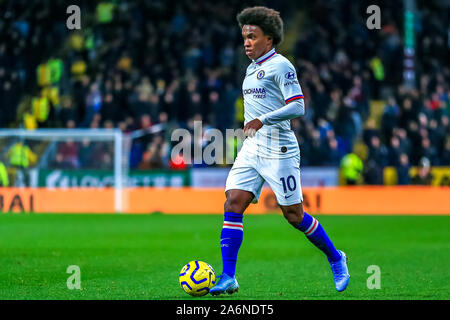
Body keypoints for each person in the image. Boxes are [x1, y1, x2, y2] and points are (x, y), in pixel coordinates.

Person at [209, 6, 350, 296]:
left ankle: (336, 258)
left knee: (294, 216)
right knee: (233, 202)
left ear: (269, 39)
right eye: (244, 36)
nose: (246, 42)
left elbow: (299, 106)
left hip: (280, 149)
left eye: (252, 36)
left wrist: (264, 119)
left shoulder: (281, 66)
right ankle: (228, 276)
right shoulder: (250, 70)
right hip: (252, 148)